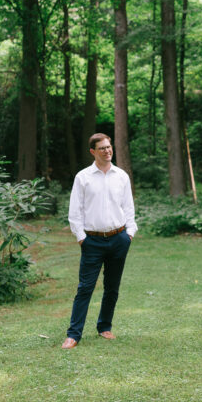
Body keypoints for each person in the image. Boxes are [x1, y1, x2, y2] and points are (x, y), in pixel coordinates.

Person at [62, 133, 137, 349]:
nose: (107, 150)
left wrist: (129, 234)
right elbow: (75, 212)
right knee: (85, 287)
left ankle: (105, 327)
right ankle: (73, 334)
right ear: (93, 152)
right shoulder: (83, 177)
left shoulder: (121, 176)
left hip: (119, 239)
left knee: (112, 287)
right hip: (92, 241)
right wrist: (81, 238)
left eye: (109, 146)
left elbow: (128, 208)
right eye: (102, 148)